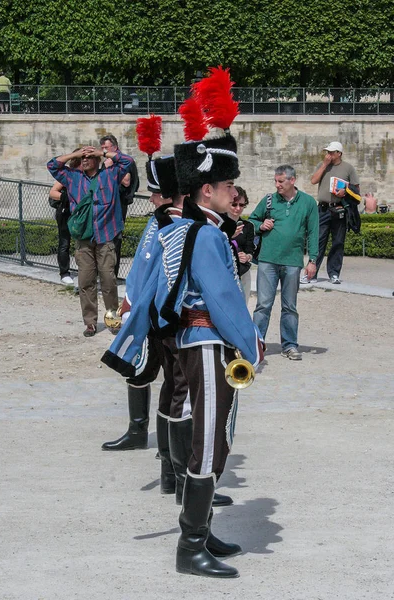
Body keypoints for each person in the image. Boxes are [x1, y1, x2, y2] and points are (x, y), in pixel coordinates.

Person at [102, 67, 265, 578]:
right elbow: (224, 301)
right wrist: (252, 346)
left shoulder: (183, 230)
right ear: (209, 190)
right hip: (208, 342)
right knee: (210, 439)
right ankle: (190, 547)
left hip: (189, 340)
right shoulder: (208, 236)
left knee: (203, 433)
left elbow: (156, 289)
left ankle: (201, 531)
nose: (233, 192)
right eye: (229, 185)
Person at [47, 145, 133, 337]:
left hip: (105, 237)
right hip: (83, 240)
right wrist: (76, 154)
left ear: (96, 159)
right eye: (82, 158)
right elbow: (52, 165)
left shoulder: (110, 175)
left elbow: (128, 161)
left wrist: (101, 153)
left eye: (88, 157)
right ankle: (90, 323)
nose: (84, 160)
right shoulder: (73, 178)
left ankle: (113, 320)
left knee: (109, 282)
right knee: (86, 282)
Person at [250, 165, 319, 361]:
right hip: (267, 260)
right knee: (263, 305)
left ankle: (289, 345)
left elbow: (314, 233)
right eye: (275, 181)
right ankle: (256, 343)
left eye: (281, 181)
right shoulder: (269, 200)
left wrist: (312, 260)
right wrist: (260, 225)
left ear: (292, 180)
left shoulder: (308, 203)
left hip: (292, 261)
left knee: (290, 306)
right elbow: (251, 221)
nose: (277, 185)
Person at [304, 141, 360, 285]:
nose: (328, 154)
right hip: (322, 208)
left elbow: (356, 190)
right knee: (318, 241)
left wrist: (346, 192)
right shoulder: (322, 165)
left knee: (338, 242)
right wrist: (324, 165)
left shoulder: (348, 168)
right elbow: (313, 180)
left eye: (331, 152)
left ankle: (334, 273)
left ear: (339, 153)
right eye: (327, 152)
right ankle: (312, 273)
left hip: (339, 208)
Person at [99, 134, 140, 279]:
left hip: (118, 204)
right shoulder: (108, 162)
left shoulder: (122, 161)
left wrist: (109, 168)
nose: (104, 150)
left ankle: (112, 275)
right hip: (106, 203)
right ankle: (104, 273)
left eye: (106, 147)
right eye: (102, 148)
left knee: (115, 238)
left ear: (114, 147)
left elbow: (126, 181)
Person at [48, 152, 81, 285]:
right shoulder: (69, 175)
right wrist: (67, 197)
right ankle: (64, 272)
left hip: (81, 213)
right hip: (66, 212)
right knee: (64, 242)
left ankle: (85, 271)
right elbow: (53, 192)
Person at [229, 186, 255, 305]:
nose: (238, 208)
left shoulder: (248, 226)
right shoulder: (219, 223)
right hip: (226, 270)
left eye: (242, 205)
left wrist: (247, 256)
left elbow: (250, 248)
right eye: (234, 204)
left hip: (243, 270)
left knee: (243, 304)